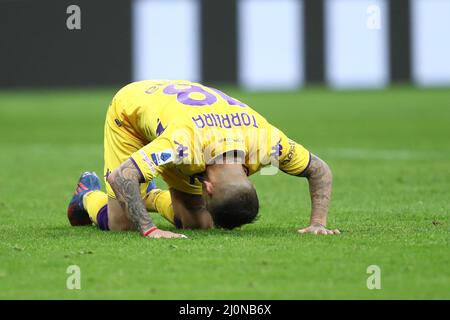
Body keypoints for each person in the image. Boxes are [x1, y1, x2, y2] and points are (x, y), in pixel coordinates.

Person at [67, 80, 340, 239]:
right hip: (132, 114)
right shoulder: (183, 145)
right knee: (122, 223)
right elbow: (121, 175)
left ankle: (146, 192)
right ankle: (87, 195)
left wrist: (318, 224)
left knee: (200, 225)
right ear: (208, 189)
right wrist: (150, 230)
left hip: (184, 125)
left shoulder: (268, 143)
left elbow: (319, 170)